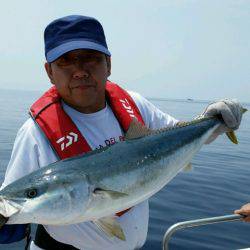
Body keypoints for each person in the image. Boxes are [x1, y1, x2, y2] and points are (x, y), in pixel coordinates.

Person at [0, 15, 243, 250]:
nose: (80, 70)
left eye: (91, 58)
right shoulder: (34, 134)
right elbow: (7, 211)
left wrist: (216, 120)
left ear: (109, 64)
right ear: (49, 72)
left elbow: (186, 136)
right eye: (65, 61)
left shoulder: (134, 104)